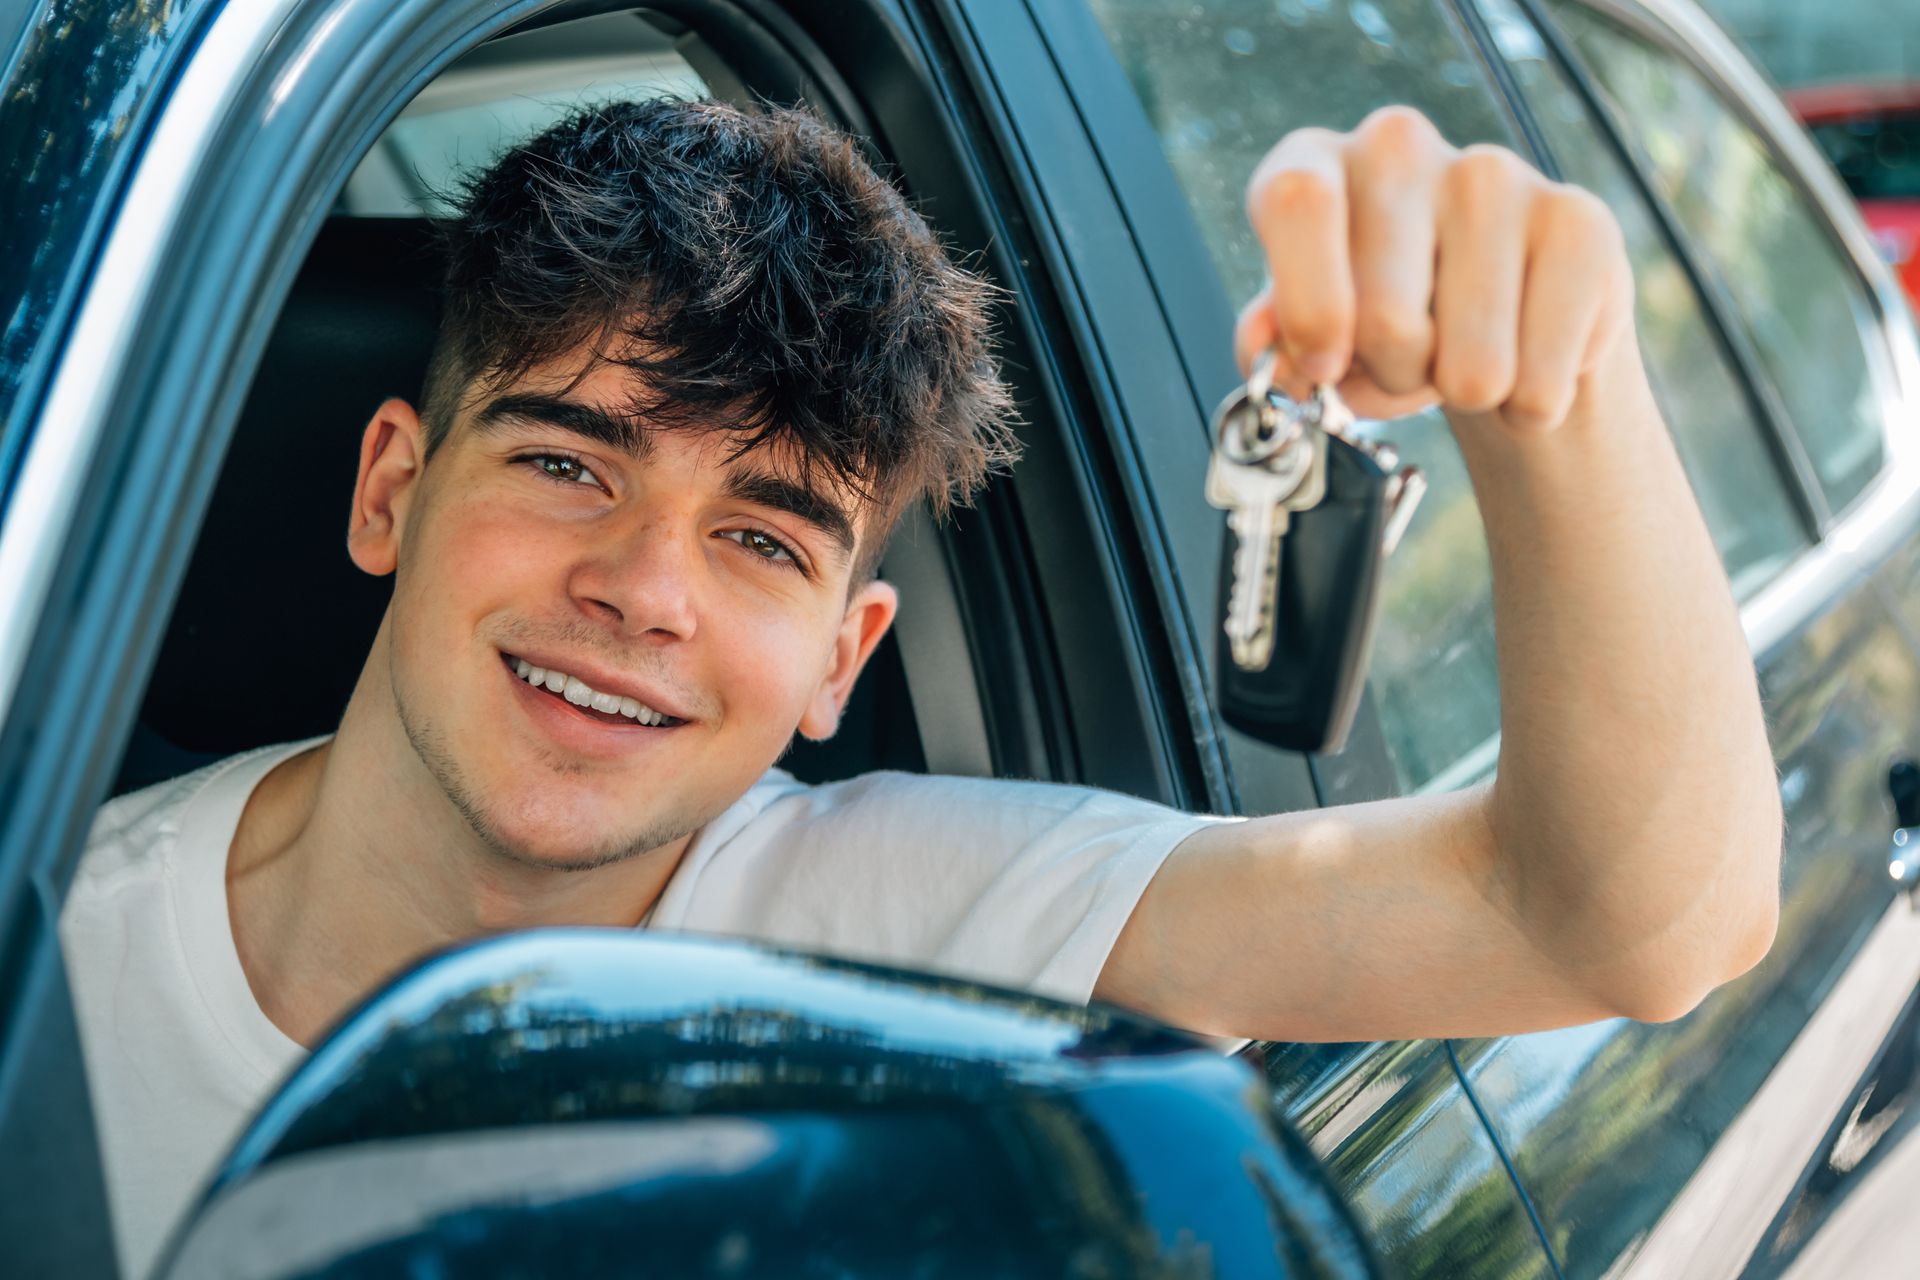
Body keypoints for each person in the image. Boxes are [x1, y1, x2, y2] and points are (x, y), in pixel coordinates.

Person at [59, 96, 1781, 1276]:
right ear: (387, 490)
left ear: (841, 661)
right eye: (571, 467)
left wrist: (1559, 394)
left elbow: (1620, 925)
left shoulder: (899, 930)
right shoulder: (48, 948)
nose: (643, 594)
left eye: (762, 541)